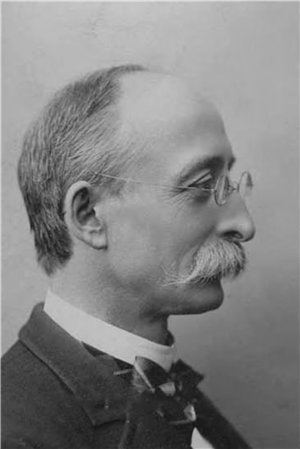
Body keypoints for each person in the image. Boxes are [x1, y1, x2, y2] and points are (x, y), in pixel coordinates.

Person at [1, 64, 255, 449]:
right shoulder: (18, 431)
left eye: (231, 182)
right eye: (203, 184)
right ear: (89, 215)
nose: (244, 224)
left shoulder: (167, 390)